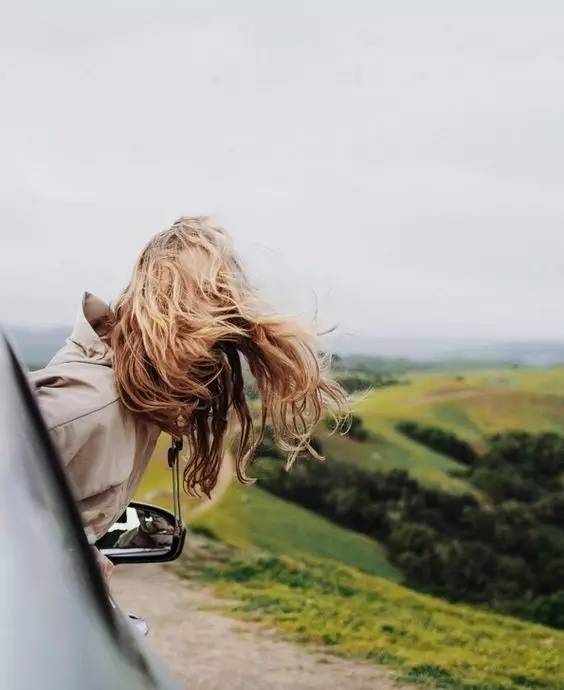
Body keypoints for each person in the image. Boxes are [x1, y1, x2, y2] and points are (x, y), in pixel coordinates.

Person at [30, 217, 348, 575]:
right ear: (162, 316)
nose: (211, 361)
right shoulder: (87, 407)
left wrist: (70, 553)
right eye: (202, 328)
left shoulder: (130, 402)